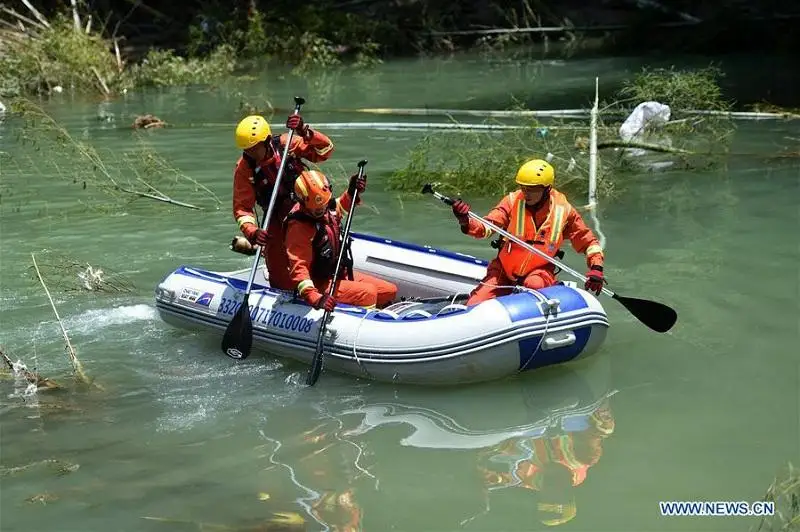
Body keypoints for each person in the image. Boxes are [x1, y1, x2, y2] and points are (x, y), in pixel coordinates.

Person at [451, 159, 606, 306]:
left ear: (547, 189)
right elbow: (486, 227)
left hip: (539, 272)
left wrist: (596, 268)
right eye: (523, 188)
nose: (526, 193)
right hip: (504, 270)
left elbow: (588, 242)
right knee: (475, 304)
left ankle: (552, 289)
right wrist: (465, 221)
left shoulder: (564, 211)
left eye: (532, 189)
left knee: (534, 284)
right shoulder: (512, 201)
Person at [232, 113, 335, 289]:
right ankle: (286, 296)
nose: (250, 153)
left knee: (322, 251)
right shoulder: (245, 167)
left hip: (307, 208)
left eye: (254, 148)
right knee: (277, 267)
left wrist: (304, 131)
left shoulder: (288, 145)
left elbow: (325, 151)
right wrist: (253, 232)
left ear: (267, 141)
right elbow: (242, 208)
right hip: (276, 217)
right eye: (246, 149)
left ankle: (326, 286)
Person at [283, 169, 398, 310]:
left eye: (323, 205)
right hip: (318, 283)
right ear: (302, 203)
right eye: (316, 208)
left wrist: (351, 192)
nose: (320, 210)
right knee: (368, 293)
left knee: (389, 291)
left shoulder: (325, 208)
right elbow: (298, 267)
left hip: (337, 273)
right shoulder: (298, 227)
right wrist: (314, 297)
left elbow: (339, 209)